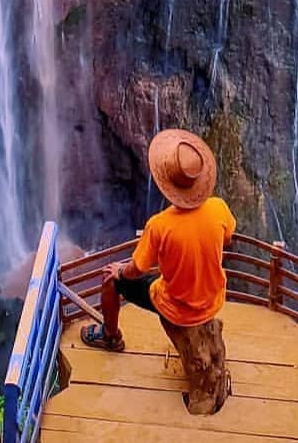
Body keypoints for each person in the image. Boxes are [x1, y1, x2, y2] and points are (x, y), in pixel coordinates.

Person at [81, 128, 236, 412]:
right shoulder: (218, 208)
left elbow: (137, 269)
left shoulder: (160, 226)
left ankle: (110, 337)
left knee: (112, 281)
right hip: (212, 297)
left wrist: (119, 271)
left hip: (175, 304)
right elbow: (227, 237)